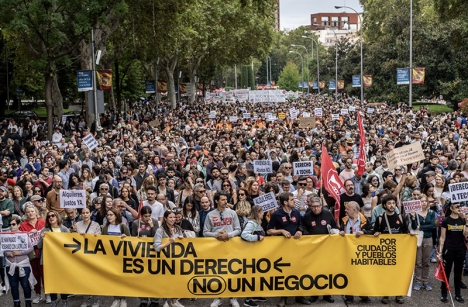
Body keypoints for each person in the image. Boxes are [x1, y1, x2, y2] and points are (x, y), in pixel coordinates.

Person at [267, 192, 305, 307]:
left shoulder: (296, 212)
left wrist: (300, 231)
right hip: (282, 249)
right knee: (284, 273)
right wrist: (281, 231)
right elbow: (269, 231)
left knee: (298, 271)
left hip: (296, 248)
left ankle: (300, 297)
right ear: (285, 202)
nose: (294, 201)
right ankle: (283, 297)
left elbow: (300, 225)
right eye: (292, 199)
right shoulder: (276, 214)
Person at [203, 191, 241, 307]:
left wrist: (228, 235)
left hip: (231, 247)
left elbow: (238, 229)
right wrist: (216, 235)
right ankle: (217, 297)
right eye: (223, 200)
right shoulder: (210, 215)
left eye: (226, 199)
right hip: (216, 249)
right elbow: (205, 232)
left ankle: (233, 297)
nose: (225, 202)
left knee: (232, 272)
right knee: (217, 273)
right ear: (216, 201)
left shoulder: (232, 213)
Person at [373, 195, 410, 304]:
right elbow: (375, 231)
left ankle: (398, 294)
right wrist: (376, 233)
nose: (392, 205)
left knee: (398, 273)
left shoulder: (400, 217)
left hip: (398, 251)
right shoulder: (380, 218)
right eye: (389, 203)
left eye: (393, 203)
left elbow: (405, 232)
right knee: (386, 273)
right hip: (385, 251)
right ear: (384, 205)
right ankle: (385, 294)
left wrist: (410, 235)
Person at [301, 197, 337, 304]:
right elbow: (303, 228)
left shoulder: (328, 214)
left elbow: (334, 227)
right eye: (313, 207)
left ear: (321, 206)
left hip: (326, 248)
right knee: (314, 271)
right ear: (310, 207)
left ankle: (327, 294)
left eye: (318, 206)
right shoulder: (307, 216)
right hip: (313, 249)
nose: (316, 208)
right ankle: (314, 294)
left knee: (327, 271)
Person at [338, 201, 372, 303]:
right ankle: (349, 296)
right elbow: (339, 231)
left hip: (361, 253)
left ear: (354, 210)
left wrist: (364, 232)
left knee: (361, 274)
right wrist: (341, 232)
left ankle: (363, 295)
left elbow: (373, 231)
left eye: (347, 208)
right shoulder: (344, 220)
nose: (345, 210)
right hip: (347, 252)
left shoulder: (365, 220)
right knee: (348, 274)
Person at [38, 210, 70, 307]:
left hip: (62, 260)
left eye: (53, 215)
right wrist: (42, 238)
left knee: (63, 281)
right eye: (49, 216)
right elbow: (39, 246)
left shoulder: (64, 229)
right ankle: (54, 301)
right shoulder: (45, 230)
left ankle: (64, 301)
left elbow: (70, 243)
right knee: (51, 281)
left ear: (57, 217)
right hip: (50, 261)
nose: (51, 218)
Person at [438, 201, 468, 303]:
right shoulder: (446, 220)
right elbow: (442, 237)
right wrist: (440, 252)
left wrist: (467, 222)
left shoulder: (462, 220)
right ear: (451, 208)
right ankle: (444, 293)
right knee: (446, 272)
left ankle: (458, 294)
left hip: (460, 249)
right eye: (457, 206)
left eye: (461, 206)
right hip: (449, 249)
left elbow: (465, 234)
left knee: (458, 273)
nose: (460, 208)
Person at [153, 210, 185, 307]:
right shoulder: (160, 230)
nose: (172, 219)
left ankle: (174, 301)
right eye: (170, 217)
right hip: (164, 260)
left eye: (174, 217)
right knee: (165, 281)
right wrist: (169, 242)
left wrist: (183, 239)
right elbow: (157, 247)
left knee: (174, 281)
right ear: (165, 218)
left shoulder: (178, 229)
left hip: (176, 260)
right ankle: (165, 302)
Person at [5, 216, 36, 307]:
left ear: (19, 225)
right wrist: (8, 253)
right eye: (10, 225)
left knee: (25, 284)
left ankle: (28, 302)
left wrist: (19, 252)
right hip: (10, 264)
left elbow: (31, 248)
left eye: (13, 224)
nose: (11, 226)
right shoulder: (5, 236)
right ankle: (16, 303)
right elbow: (3, 248)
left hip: (23, 263)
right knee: (13, 285)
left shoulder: (24, 235)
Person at [102, 208, 130, 307]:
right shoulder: (105, 228)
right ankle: (116, 298)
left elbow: (131, 241)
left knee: (122, 278)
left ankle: (123, 299)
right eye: (107, 215)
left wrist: (125, 237)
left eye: (111, 215)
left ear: (116, 216)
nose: (109, 217)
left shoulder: (122, 227)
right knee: (113, 279)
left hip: (122, 257)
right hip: (111, 258)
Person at [75, 207, 101, 307]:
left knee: (94, 278)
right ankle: (85, 300)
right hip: (81, 256)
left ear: (90, 214)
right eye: (83, 213)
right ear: (81, 214)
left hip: (93, 255)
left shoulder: (96, 225)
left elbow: (98, 239)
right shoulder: (77, 225)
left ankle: (96, 300)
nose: (85, 215)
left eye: (87, 213)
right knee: (84, 278)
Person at [19, 204, 45, 304]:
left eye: (32, 211)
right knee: (35, 274)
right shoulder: (23, 225)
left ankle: (47, 294)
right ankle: (38, 294)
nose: (30, 213)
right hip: (31, 252)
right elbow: (21, 239)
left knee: (44, 273)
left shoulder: (43, 222)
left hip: (43, 251)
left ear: (36, 212)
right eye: (28, 212)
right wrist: (29, 233)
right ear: (26, 214)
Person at [241, 205, 266, 307]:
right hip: (250, 253)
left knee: (256, 275)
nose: (263, 213)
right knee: (250, 276)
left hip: (256, 253)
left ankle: (254, 294)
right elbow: (244, 235)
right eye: (262, 212)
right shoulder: (251, 223)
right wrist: (257, 237)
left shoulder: (257, 223)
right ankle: (248, 299)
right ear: (257, 212)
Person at [410, 195, 436, 291]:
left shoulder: (432, 212)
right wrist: (412, 218)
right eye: (421, 201)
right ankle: (418, 281)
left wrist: (420, 227)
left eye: (425, 201)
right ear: (418, 203)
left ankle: (425, 281)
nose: (424, 203)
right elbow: (413, 227)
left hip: (428, 238)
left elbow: (432, 225)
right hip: (418, 239)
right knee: (418, 262)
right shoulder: (415, 213)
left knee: (426, 262)